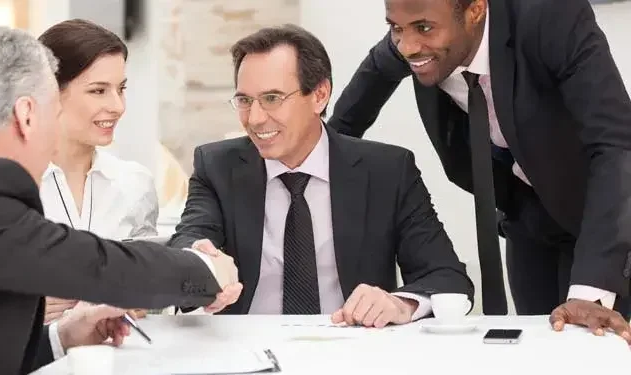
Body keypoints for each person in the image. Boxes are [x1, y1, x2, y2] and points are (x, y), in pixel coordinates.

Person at [0, 24, 242, 374]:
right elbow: (98, 264)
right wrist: (204, 269)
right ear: (26, 115)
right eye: (53, 114)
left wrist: (63, 336)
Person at [326, 0, 631, 340]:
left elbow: (616, 145)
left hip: (611, 219)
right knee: (540, 348)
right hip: (530, 214)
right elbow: (343, 126)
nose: (407, 47)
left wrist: (591, 291)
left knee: (599, 349)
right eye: (396, 29)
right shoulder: (413, 34)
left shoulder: (552, 16)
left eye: (424, 28)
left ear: (475, 11)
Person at [168, 24, 474, 327]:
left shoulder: (388, 171)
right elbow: (191, 238)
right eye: (245, 101)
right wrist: (200, 263)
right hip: (247, 352)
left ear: (320, 95)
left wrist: (400, 303)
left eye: (272, 98)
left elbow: (448, 279)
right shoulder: (216, 165)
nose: (256, 118)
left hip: (353, 350)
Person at [37, 19, 161, 323]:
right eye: (98, 91)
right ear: (51, 91)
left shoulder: (135, 184)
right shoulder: (5, 185)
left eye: (121, 89)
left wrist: (142, 299)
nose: (118, 106)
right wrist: (19, 308)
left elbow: (152, 292)